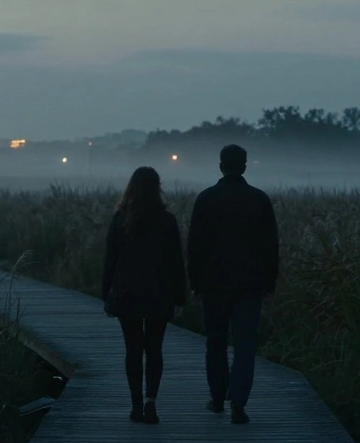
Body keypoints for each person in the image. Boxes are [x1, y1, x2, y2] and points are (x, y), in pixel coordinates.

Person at [187, 144, 278, 425]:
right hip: (250, 283)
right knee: (245, 345)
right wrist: (270, 282)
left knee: (215, 343)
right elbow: (270, 247)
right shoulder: (259, 199)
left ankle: (217, 399)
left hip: (213, 283)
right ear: (245, 166)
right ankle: (238, 404)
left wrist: (195, 281)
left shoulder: (206, 199)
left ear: (221, 166)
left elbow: (195, 246)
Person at [102, 166, 188, 424]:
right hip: (159, 292)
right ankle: (151, 400)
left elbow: (110, 260)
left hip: (127, 292)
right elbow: (176, 262)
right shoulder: (167, 220)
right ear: (157, 188)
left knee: (132, 348)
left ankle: (136, 404)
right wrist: (180, 297)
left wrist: (106, 294)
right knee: (154, 348)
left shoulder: (120, 219)